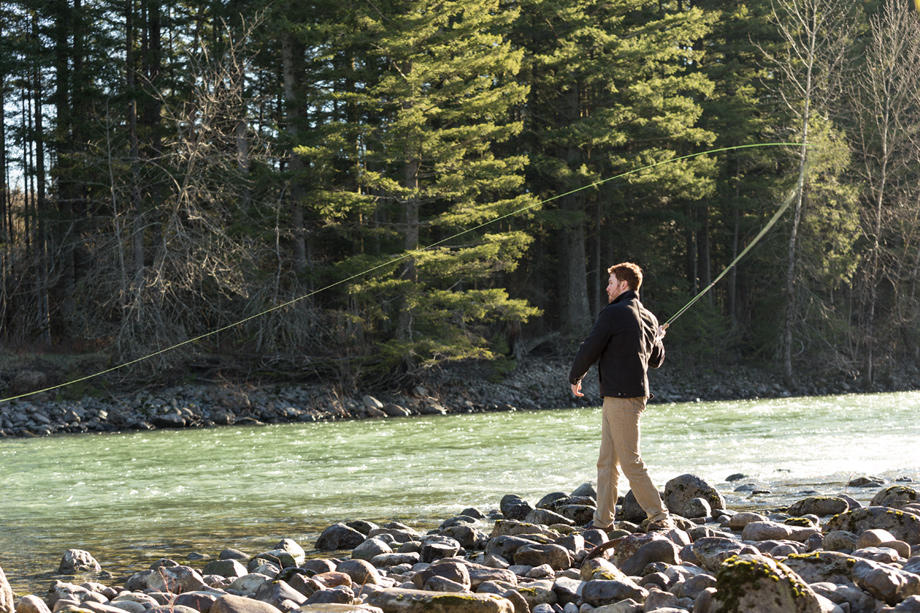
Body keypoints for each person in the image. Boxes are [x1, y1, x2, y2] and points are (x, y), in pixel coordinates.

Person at [568, 262, 672, 532]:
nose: (607, 287)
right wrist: (658, 337)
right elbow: (657, 359)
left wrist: (575, 377)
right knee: (606, 461)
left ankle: (660, 517)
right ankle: (602, 522)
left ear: (624, 285)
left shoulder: (613, 313)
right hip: (625, 395)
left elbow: (591, 346)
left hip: (622, 398)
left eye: (611, 282)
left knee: (630, 462)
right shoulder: (648, 317)